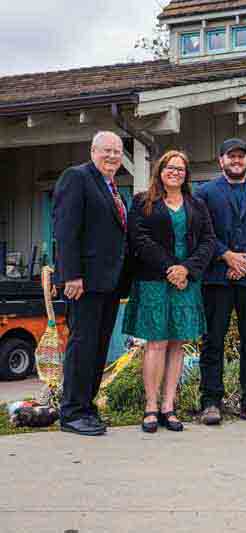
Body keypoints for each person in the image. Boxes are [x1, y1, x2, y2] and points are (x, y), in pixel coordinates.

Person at [123, 150, 215, 433]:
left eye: (181, 169)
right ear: (160, 171)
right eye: (170, 168)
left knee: (177, 343)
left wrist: (186, 269)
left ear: (186, 175)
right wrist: (170, 268)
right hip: (154, 281)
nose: (175, 172)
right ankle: (151, 407)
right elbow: (139, 238)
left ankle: (168, 407)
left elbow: (208, 240)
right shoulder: (143, 202)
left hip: (186, 282)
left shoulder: (196, 205)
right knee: (156, 344)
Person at [194, 139, 246, 426]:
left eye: (241, 156)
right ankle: (210, 402)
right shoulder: (204, 193)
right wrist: (226, 256)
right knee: (213, 341)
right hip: (216, 278)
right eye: (231, 156)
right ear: (221, 160)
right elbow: (201, 231)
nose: (237, 160)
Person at [53, 131, 131, 436]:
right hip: (84, 282)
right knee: (82, 347)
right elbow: (65, 230)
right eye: (107, 151)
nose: (112, 156)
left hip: (109, 283)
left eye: (117, 151)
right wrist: (71, 275)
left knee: (98, 349)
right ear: (93, 151)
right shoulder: (77, 178)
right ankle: (72, 412)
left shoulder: (112, 188)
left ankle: (87, 407)